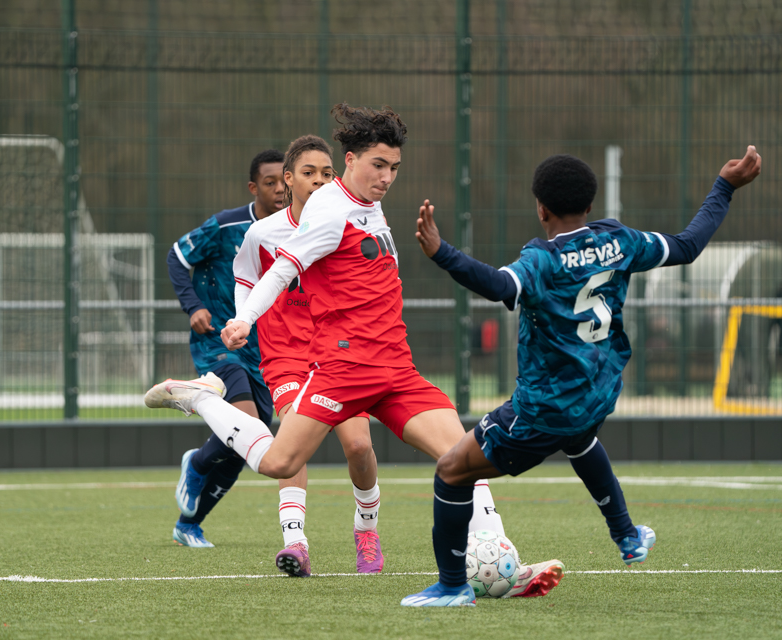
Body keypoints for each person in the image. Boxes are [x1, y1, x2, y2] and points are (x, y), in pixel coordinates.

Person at [147, 104, 564, 597]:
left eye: (394, 169)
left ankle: (500, 569)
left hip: (395, 367)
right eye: (378, 166)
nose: (387, 177)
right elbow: (281, 270)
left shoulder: (369, 203)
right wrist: (243, 320)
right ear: (352, 160)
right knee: (279, 462)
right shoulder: (329, 209)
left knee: (464, 456)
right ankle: (199, 399)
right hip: (343, 370)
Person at [401, 146, 762, 607]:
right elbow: (688, 245)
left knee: (451, 471)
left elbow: (497, 285)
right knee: (580, 438)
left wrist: (440, 251)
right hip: (599, 391)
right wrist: (725, 186)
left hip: (544, 409)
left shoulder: (541, 260)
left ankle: (451, 587)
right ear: (590, 205)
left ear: (541, 208)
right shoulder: (621, 241)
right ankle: (628, 537)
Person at [233, 134, 383, 577]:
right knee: (291, 450)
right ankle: (295, 543)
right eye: (307, 173)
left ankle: (367, 529)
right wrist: (244, 320)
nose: (318, 181)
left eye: (326, 173)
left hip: (339, 354)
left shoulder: (347, 223)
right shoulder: (262, 233)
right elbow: (247, 278)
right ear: (287, 180)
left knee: (358, 445)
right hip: (286, 357)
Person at [165, 149, 285, 548]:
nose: (280, 189)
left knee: (247, 446)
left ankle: (189, 524)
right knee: (248, 426)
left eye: (285, 180)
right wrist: (193, 306)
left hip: (265, 351)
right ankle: (197, 464)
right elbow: (177, 257)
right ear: (254, 187)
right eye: (270, 182)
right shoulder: (226, 225)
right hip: (220, 343)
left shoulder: (298, 231)